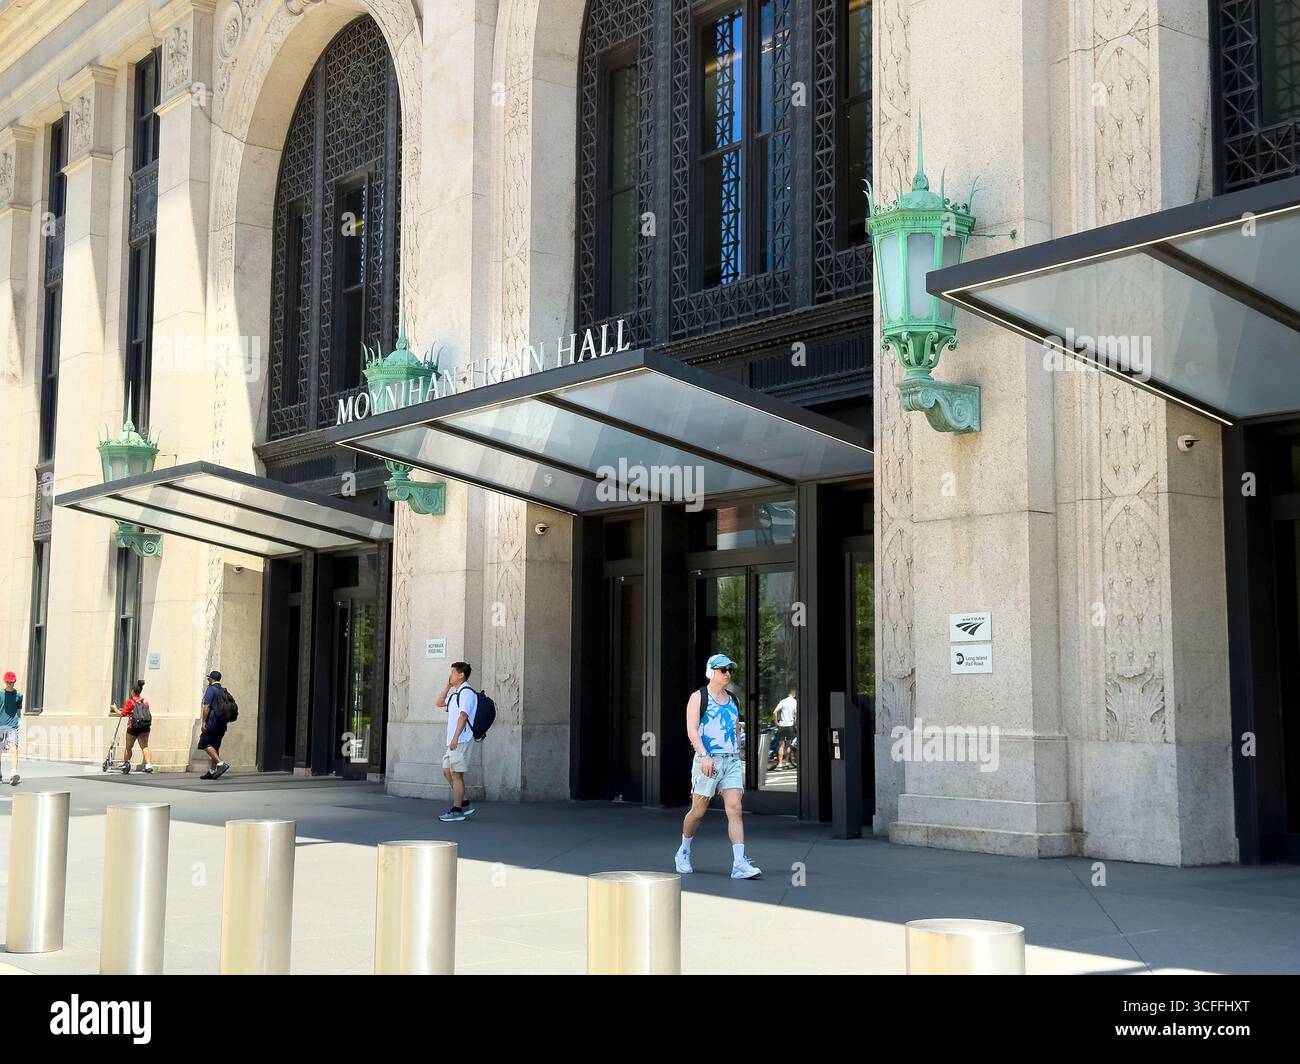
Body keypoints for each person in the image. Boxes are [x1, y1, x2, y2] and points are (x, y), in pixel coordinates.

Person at [675, 653, 761, 879]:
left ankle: (739, 863)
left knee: (735, 807)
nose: (727, 673)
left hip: (730, 759)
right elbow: (692, 729)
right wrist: (704, 755)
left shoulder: (733, 699)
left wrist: (738, 747)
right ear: (710, 672)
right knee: (698, 811)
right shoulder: (698, 697)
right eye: (723, 670)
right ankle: (683, 851)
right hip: (708, 759)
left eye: (730, 670)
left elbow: (735, 726)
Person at [435, 661, 477, 823]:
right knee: (447, 771)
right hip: (454, 741)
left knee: (456, 774)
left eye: (453, 672)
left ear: (461, 675)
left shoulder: (466, 693)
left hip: (461, 740)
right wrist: (447, 686)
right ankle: (465, 802)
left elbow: (463, 716)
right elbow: (439, 703)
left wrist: (456, 737)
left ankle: (457, 810)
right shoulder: (456, 693)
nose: (450, 675)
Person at [111, 679, 154, 773]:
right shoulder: (145, 701)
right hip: (145, 727)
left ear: (133, 691)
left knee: (128, 747)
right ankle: (148, 764)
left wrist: (115, 709)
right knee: (145, 746)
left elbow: (123, 714)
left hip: (133, 727)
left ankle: (126, 763)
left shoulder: (130, 701)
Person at [198, 670, 230, 780]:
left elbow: (206, 707)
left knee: (204, 743)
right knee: (215, 746)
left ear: (211, 679)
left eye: (209, 678)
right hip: (222, 724)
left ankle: (221, 764)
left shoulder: (211, 689)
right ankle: (212, 771)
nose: (208, 680)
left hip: (212, 722)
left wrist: (203, 722)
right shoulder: (223, 690)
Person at [0, 670, 22, 786]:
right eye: (8, 682)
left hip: (12, 727)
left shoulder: (19, 696)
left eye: (12, 682)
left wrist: (19, 722)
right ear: (5, 682)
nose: (10, 684)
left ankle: (14, 774)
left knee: (14, 749)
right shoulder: (0, 694)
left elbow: (18, 711)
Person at [773, 686, 797, 770]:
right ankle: (787, 762)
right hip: (790, 725)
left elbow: (774, 712)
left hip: (782, 725)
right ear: (794, 693)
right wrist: (795, 723)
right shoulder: (795, 702)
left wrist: (776, 722)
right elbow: (796, 714)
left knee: (781, 745)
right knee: (788, 745)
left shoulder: (783, 701)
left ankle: (780, 764)